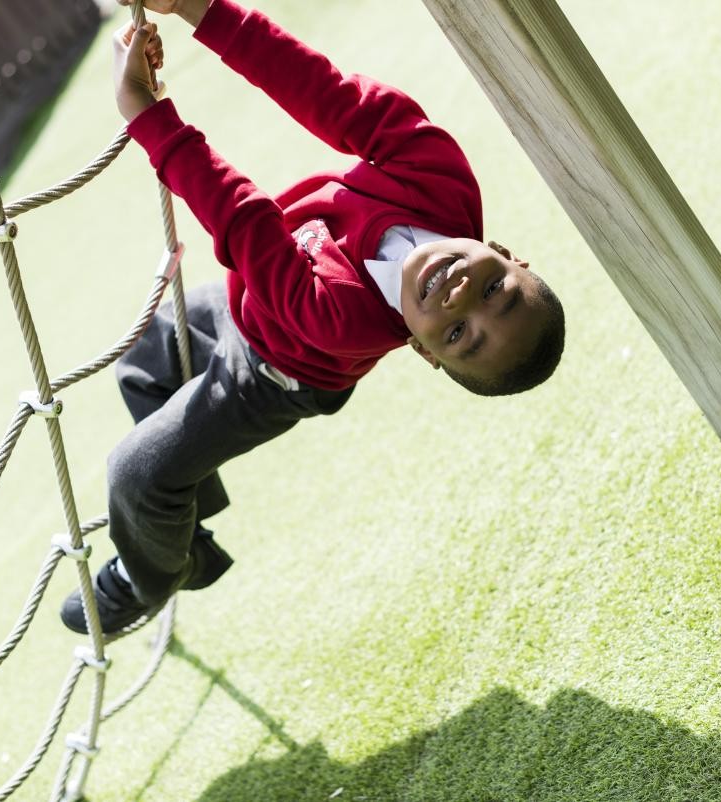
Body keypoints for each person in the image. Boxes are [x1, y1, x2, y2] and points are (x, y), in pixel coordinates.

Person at [60, 0, 565, 634]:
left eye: (459, 334)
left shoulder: (343, 320)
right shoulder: (441, 176)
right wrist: (196, 8)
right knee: (144, 356)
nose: (460, 299)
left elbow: (243, 220)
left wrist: (147, 115)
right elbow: (323, 91)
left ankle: (155, 576)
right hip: (252, 302)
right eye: (496, 291)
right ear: (508, 254)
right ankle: (187, 526)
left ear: (423, 349)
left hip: (275, 374)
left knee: (136, 475)